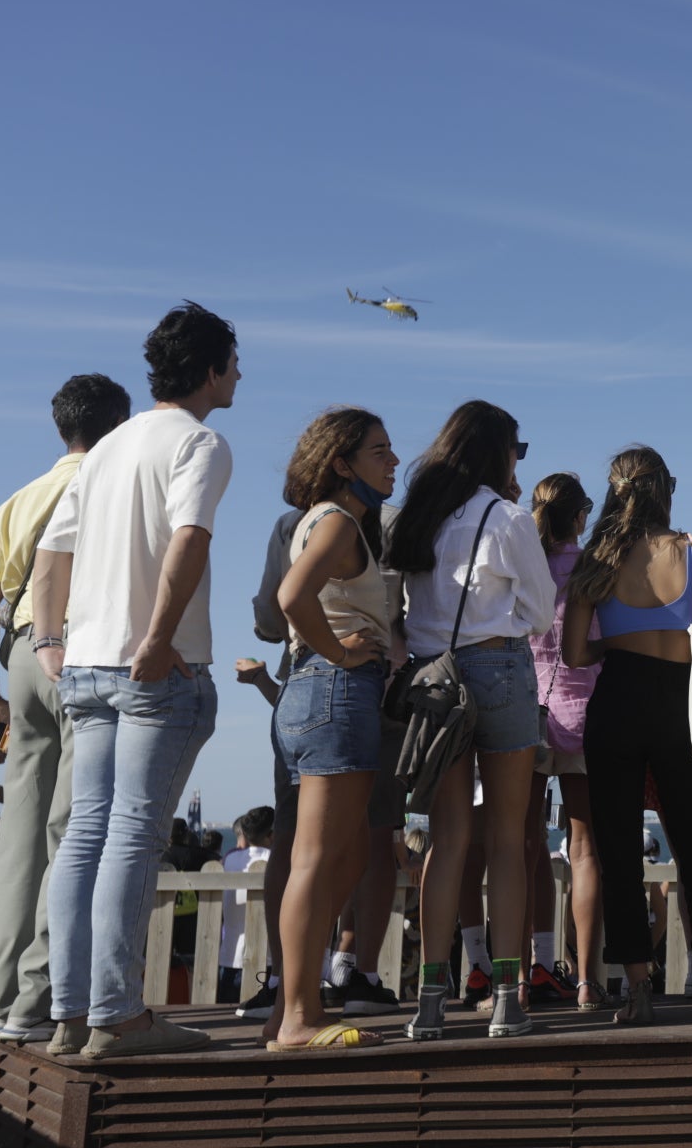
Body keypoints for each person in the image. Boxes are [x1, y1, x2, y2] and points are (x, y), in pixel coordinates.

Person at [30, 302, 239, 1058]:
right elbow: (190, 539)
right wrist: (155, 638)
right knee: (131, 836)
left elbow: (53, 552)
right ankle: (118, 1014)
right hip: (152, 664)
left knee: (86, 835)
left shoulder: (109, 447)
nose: (240, 375)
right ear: (212, 369)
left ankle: (72, 1014)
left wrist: (50, 641)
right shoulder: (201, 443)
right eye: (235, 363)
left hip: (85, 663)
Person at [562, 446, 692, 1024]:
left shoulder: (600, 557)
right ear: (668, 489)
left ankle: (638, 992)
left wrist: (616, 643)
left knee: (617, 850)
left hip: (617, 699)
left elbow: (572, 654)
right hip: (681, 701)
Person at [388, 401, 554, 1042]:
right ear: (500, 451)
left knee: (448, 840)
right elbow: (540, 613)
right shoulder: (508, 518)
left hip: (435, 683)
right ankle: (508, 996)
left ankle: (432, 996)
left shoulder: (421, 517)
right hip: (500, 669)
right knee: (508, 840)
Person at [0, 373, 130, 1046]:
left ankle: (0, 991)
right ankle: (37, 997)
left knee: (19, 836)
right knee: (73, 832)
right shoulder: (109, 488)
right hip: (81, 650)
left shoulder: (19, 499)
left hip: (19, 654)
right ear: (119, 426)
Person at [265, 408, 400, 1050]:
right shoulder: (341, 521)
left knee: (339, 856)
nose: (393, 460)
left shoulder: (325, 520)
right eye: (380, 451)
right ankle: (297, 1017)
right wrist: (342, 654)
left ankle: (292, 1009)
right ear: (343, 463)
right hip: (335, 690)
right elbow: (292, 598)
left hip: (312, 692)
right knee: (320, 860)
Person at [528, 472, 605, 1010]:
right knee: (584, 851)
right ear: (580, 517)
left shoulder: (523, 568)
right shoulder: (593, 571)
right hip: (583, 714)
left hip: (525, 716)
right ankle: (585, 978)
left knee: (523, 847)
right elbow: (600, 644)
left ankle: (528, 971)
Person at [218, 807, 275, 1004]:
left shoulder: (230, 860)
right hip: (266, 959)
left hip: (231, 956)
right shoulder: (276, 861)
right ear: (271, 834)